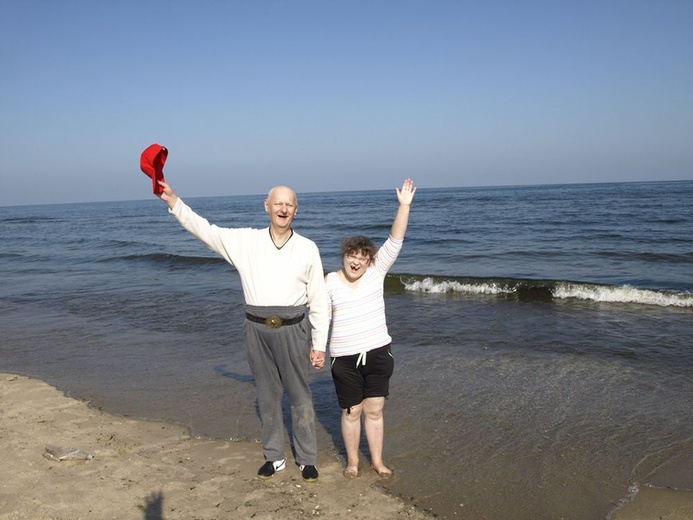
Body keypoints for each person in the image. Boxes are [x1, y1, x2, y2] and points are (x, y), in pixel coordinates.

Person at [155, 179, 329, 482]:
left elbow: (319, 300)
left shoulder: (307, 248)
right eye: (278, 203)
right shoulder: (245, 241)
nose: (283, 209)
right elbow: (205, 230)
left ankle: (306, 458)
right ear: (267, 206)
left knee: (300, 396)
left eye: (289, 204)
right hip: (256, 329)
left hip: (293, 330)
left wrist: (319, 343)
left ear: (296, 210)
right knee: (267, 396)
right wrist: (174, 201)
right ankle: (274, 457)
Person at [325, 178, 416, 479]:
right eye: (352, 255)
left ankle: (377, 461)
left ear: (369, 261)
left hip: (377, 352)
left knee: (374, 410)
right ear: (344, 255)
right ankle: (353, 462)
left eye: (363, 258)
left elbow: (395, 240)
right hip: (344, 358)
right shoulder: (329, 281)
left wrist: (403, 206)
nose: (357, 261)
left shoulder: (376, 273)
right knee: (352, 412)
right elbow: (319, 317)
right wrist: (314, 347)